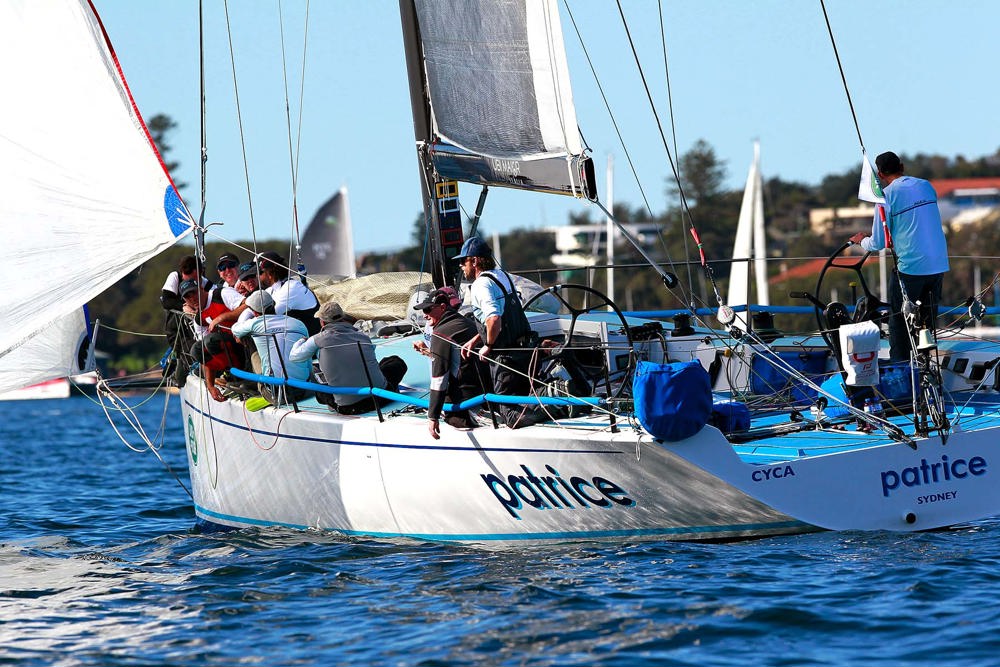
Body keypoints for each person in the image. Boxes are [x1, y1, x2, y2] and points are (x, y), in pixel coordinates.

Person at [849, 151, 949, 361]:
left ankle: (901, 368)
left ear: (880, 174)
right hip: (938, 264)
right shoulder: (926, 185)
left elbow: (878, 243)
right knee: (926, 323)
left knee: (899, 321)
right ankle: (925, 364)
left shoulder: (885, 197)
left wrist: (861, 241)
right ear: (901, 167)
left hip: (911, 268)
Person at [454, 236, 542, 428]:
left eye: (463, 261)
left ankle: (548, 410)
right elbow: (501, 316)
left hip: (505, 357)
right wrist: (476, 340)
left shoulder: (480, 285)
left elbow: (494, 318)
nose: (461, 266)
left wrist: (488, 345)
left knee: (509, 413)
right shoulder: (502, 276)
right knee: (525, 396)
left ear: (474, 261)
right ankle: (551, 406)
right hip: (524, 351)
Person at [289, 301, 407, 415]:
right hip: (381, 398)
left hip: (348, 407)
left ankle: (334, 404)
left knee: (315, 370)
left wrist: (301, 341)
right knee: (394, 362)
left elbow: (294, 357)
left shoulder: (317, 339)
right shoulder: (362, 336)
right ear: (343, 317)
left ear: (322, 322)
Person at [413, 288, 480, 439]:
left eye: (428, 309)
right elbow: (455, 358)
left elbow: (439, 378)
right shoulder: (466, 322)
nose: (425, 315)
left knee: (450, 415)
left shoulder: (440, 333)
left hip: (466, 399)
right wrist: (430, 352)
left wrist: (433, 416)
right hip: (481, 389)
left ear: (442, 307)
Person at [231, 290, 311, 405]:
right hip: (304, 389)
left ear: (255, 313)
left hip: (276, 394)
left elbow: (235, 329)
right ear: (274, 304)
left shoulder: (255, 323)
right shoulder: (298, 323)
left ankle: (255, 381)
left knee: (246, 337)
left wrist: (248, 314)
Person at [180, 278, 246, 400]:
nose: (192, 298)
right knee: (196, 350)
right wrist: (210, 386)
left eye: (194, 293)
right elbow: (205, 353)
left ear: (201, 289)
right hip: (229, 353)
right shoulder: (199, 319)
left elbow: (247, 305)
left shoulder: (221, 294)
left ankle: (241, 373)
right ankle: (230, 374)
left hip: (244, 343)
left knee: (211, 341)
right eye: (187, 297)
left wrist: (223, 317)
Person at [258, 251, 321, 335]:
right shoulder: (271, 290)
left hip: (310, 338)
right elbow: (251, 310)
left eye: (259, 273)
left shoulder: (291, 288)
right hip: (295, 338)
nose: (256, 276)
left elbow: (268, 318)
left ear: (269, 274)